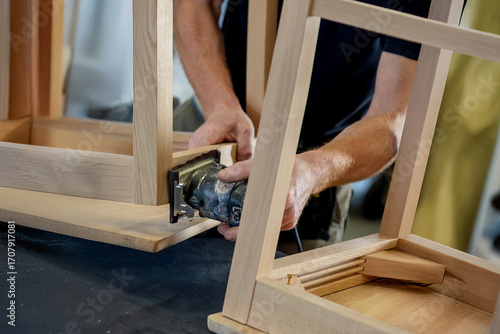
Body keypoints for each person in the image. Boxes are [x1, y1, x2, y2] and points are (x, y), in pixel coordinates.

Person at [173, 0, 431, 246]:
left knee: (275, 285)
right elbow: (192, 5)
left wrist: (312, 173)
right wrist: (219, 103)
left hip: (317, 162)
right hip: (211, 125)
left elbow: (393, 122)